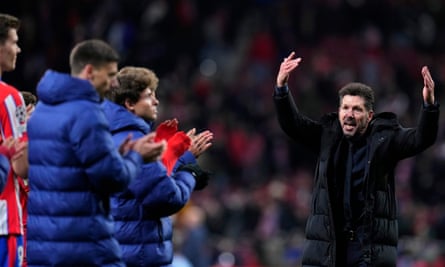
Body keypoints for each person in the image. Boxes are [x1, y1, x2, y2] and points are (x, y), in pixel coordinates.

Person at [273, 51, 439, 266]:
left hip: (368, 249)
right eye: (345, 108)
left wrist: (429, 106)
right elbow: (293, 124)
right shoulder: (328, 135)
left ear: (370, 116)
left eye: (357, 109)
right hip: (330, 247)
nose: (349, 114)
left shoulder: (385, 139)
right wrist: (281, 89)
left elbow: (421, 138)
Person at [26, 39, 167, 267]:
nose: (113, 84)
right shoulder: (87, 112)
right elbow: (112, 178)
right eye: (110, 75)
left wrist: (116, 155)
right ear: (90, 71)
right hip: (81, 243)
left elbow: (62, 166)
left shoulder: (43, 108)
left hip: (42, 244)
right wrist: (136, 156)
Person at [102, 66, 213, 267]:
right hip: (137, 256)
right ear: (130, 104)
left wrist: (177, 157)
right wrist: (188, 166)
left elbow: (151, 184)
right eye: (148, 96)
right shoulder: (134, 141)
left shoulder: (111, 135)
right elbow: (166, 198)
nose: (156, 101)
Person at [0, 13, 29, 267]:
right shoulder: (10, 98)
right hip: (4, 221)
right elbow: (22, 167)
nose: (18, 49)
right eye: (13, 41)